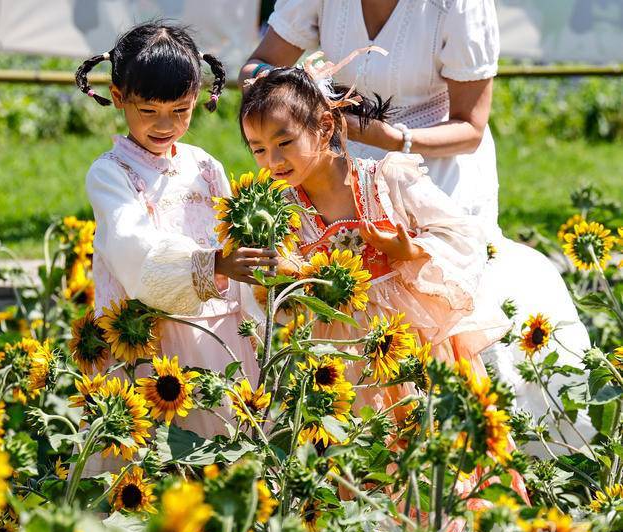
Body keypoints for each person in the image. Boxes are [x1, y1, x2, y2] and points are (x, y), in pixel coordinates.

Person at [239, 0, 594, 451]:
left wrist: (390, 140)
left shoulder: (458, 7)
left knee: (441, 309)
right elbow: (261, 62)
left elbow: (471, 126)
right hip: (325, 154)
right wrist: (285, 98)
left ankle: (479, 429)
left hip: (433, 163)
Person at [240, 62, 508, 426]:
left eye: (284, 143)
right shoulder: (281, 211)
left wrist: (409, 250)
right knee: (362, 456)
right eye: (258, 150)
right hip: (337, 363)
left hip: (409, 346)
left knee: (431, 449)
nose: (272, 161)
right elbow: (277, 297)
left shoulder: (386, 180)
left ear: (324, 127)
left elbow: (461, 234)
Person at [75, 22, 277, 473]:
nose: (166, 125)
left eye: (181, 110)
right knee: (148, 466)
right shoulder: (110, 174)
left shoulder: (205, 167)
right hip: (150, 344)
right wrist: (214, 266)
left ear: (200, 96)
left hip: (219, 338)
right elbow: (133, 249)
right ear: (119, 95)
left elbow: (233, 234)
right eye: (149, 110)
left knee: (221, 457)